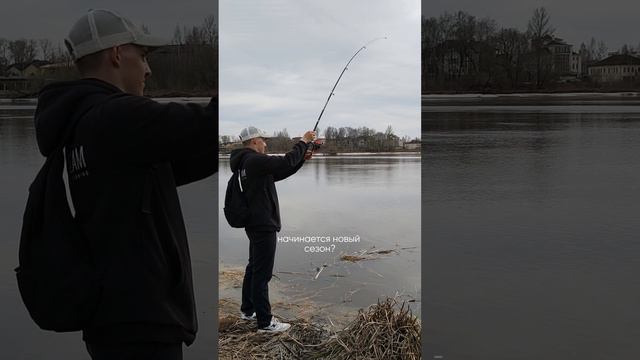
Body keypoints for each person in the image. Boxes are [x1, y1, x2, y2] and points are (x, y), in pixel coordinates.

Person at [33, 9, 217, 359]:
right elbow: (203, 124)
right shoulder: (116, 116)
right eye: (143, 55)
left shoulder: (81, 125)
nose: (148, 69)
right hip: (142, 323)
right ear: (117, 54)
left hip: (114, 319)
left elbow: (174, 164)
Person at [229, 126, 316, 332]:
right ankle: (265, 323)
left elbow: (281, 170)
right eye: (263, 140)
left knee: (253, 268)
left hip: (255, 223)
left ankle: (248, 310)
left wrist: (301, 159)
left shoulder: (245, 163)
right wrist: (303, 142)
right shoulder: (254, 160)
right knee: (262, 274)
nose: (266, 144)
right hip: (263, 224)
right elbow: (285, 161)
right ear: (254, 141)